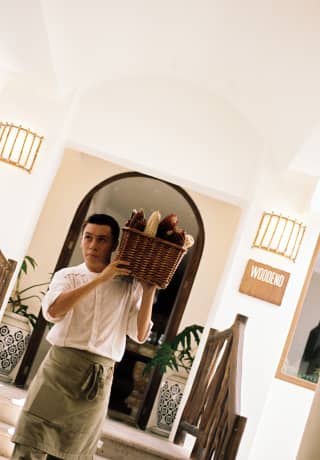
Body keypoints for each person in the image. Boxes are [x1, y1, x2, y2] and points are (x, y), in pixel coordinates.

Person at [11, 213, 156, 460]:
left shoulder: (129, 286)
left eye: (102, 240)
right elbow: (54, 311)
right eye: (88, 238)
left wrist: (149, 290)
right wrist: (101, 279)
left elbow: (140, 334)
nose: (93, 246)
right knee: (30, 443)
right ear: (81, 240)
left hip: (96, 383)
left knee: (75, 453)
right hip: (58, 373)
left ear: (114, 245)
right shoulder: (67, 276)